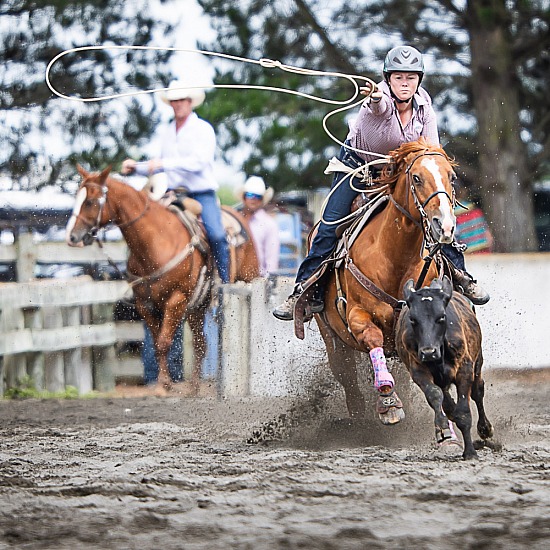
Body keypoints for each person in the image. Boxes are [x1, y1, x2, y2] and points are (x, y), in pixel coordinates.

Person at [273, 45, 490, 322]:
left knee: (437, 218)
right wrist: (376, 96)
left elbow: (432, 150)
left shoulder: (425, 108)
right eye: (398, 77)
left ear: (418, 80)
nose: (405, 83)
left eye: (411, 77)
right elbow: (380, 107)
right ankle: (303, 291)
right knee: (329, 226)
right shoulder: (376, 103)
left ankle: (461, 277)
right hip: (358, 168)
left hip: (399, 172)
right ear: (388, 79)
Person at [121, 78, 230, 284]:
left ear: (190, 102)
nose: (178, 104)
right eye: (174, 100)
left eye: (182, 100)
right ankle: (144, 282)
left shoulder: (203, 129)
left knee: (216, 235)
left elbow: (199, 162)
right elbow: (157, 163)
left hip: (201, 193)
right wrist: (136, 167)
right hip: (172, 193)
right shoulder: (167, 131)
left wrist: (163, 163)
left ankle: (224, 283)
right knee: (144, 228)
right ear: (170, 104)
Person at [239, 176, 280, 277]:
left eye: (257, 196)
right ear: (244, 197)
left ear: (262, 200)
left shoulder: (269, 224)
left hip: (258, 278)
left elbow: (272, 257)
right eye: (250, 194)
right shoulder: (235, 221)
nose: (253, 199)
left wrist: (269, 280)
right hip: (234, 276)